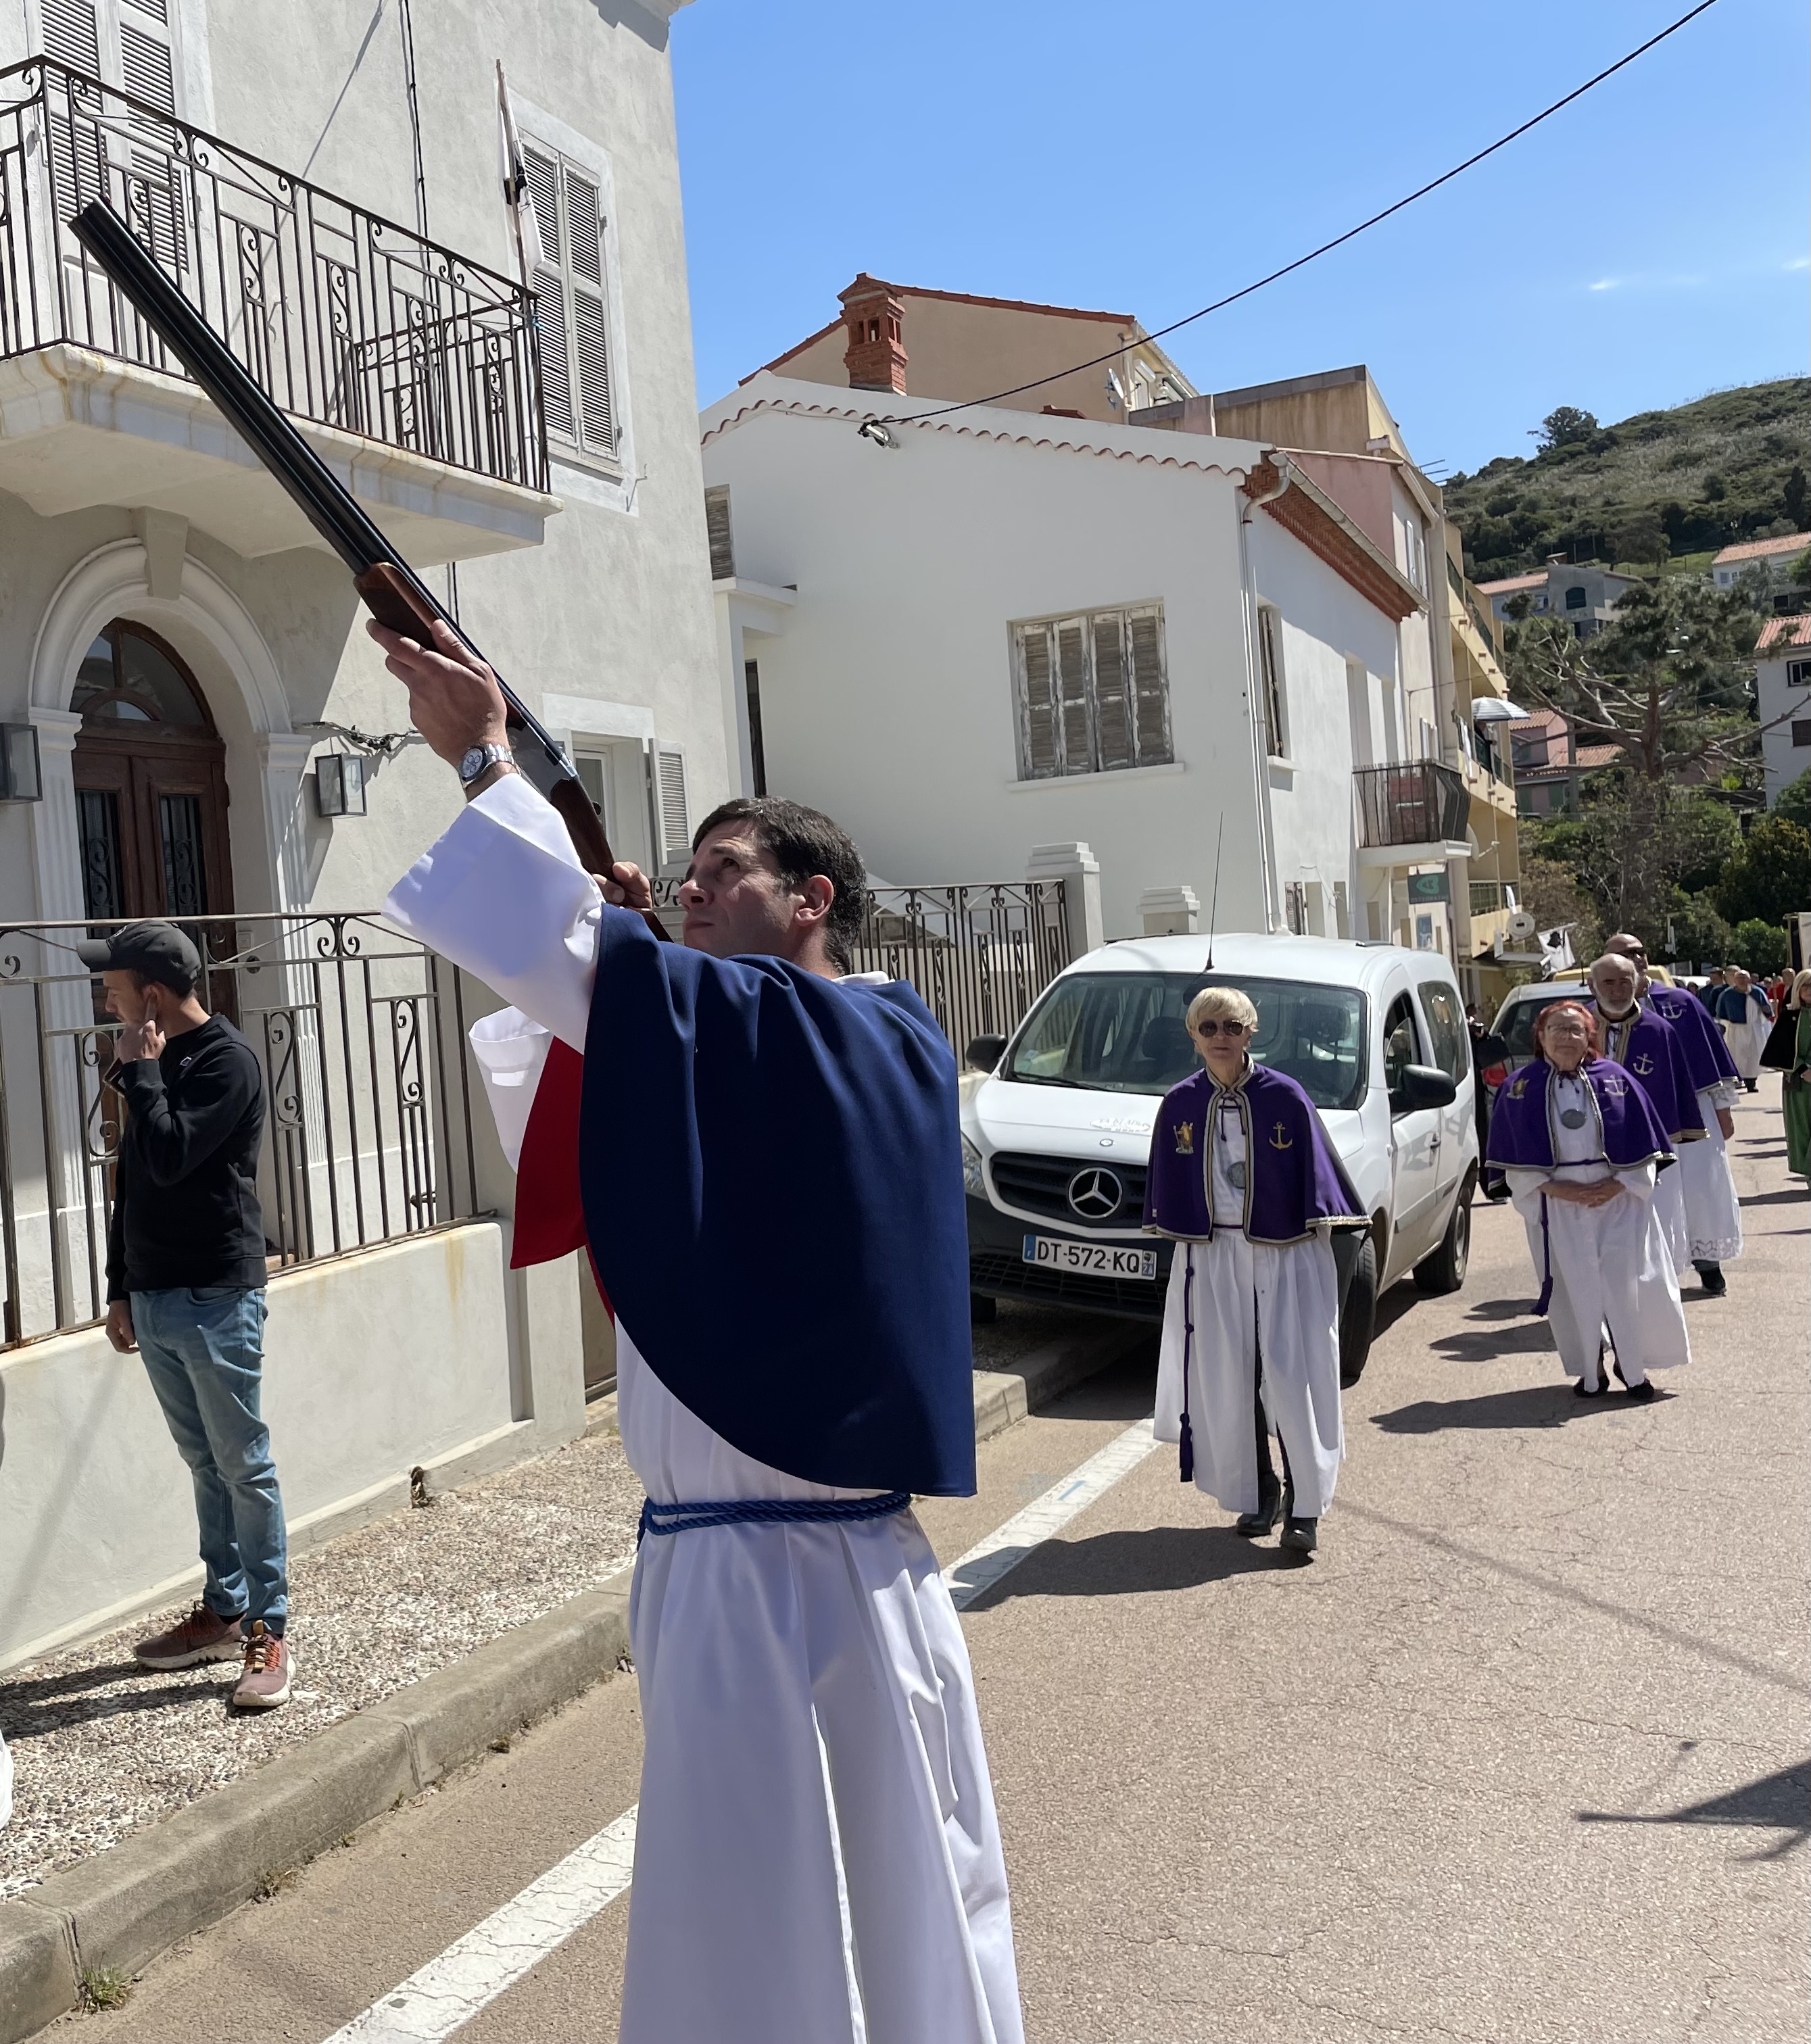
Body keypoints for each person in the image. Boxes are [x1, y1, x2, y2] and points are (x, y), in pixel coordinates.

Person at [375, 615, 1023, 2044]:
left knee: (770, 1921)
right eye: (685, 872)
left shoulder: (846, 1024)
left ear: (814, 896)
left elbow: (564, 958)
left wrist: (486, 760)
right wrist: (628, 956)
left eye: (723, 869)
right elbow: (601, 1018)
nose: (689, 886)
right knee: (862, 1897)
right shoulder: (837, 1037)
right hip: (790, 1565)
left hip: (774, 1577)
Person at [76, 923, 290, 1709]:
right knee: (205, 1465)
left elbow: (169, 1153)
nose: (107, 997)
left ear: (154, 996)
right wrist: (120, 1287)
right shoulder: (152, 1064)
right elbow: (134, 1179)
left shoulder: (225, 1062)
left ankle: (270, 1630)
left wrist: (142, 1071)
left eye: (115, 986)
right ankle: (224, 1608)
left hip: (215, 1293)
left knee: (244, 1466)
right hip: (159, 1295)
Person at [1142, 986, 1368, 1559]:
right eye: (1209, 1027)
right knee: (1229, 1378)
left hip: (1283, 1252)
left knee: (1291, 1377)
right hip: (1212, 1254)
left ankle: (1304, 1504)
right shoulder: (1178, 1104)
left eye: (1232, 1027)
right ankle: (1259, 1488)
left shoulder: (1286, 1097)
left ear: (1251, 1032)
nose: (1221, 1037)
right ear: (1193, 1035)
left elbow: (1320, 1186)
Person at [1487, 1002, 1688, 1398]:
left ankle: (1633, 1369)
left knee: (1625, 1285)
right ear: (1540, 1037)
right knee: (1572, 1286)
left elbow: (1645, 1146)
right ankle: (1590, 1368)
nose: (1566, 1037)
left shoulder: (1616, 1078)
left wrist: (1615, 1186)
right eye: (1557, 1029)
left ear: (1589, 1037)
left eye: (1575, 1030)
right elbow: (1514, 1162)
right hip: (1557, 1204)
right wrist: (1561, 1190)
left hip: (1617, 1198)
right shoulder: (1519, 1088)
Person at [1599, 935, 1744, 1295]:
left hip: (1690, 1110)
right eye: (1625, 953)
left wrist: (1723, 1110)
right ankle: (1657, 1268)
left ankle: (1708, 1262)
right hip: (1630, 1119)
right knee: (1651, 1193)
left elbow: (1710, 1058)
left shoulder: (1680, 1002)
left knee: (1701, 1186)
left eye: (1639, 951)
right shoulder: (1595, 1014)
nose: (1636, 957)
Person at [1467, 1004, 1512, 1198]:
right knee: (1481, 1137)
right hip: (1463, 1088)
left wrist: (1479, 1034)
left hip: (1472, 1089)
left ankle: (1493, 1186)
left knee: (1483, 1137)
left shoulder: (1463, 1028)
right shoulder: (1450, 1028)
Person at [1714, 967, 1772, 1092]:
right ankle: (1738, 1079)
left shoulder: (1757, 993)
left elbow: (1767, 1010)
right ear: (1734, 980)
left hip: (1753, 1029)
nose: (1742, 981)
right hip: (1735, 1029)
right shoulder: (1727, 995)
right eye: (1739, 978)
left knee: (1753, 1057)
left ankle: (1751, 1083)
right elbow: (1721, 1013)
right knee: (1737, 1056)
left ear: (1749, 979)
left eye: (1744, 978)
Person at [1783, 969, 1811, 1181]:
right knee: (1802, 1130)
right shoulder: (1789, 1017)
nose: (1809, 991)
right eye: (1805, 986)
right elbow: (1779, 1053)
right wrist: (1803, 1070)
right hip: (1799, 1084)